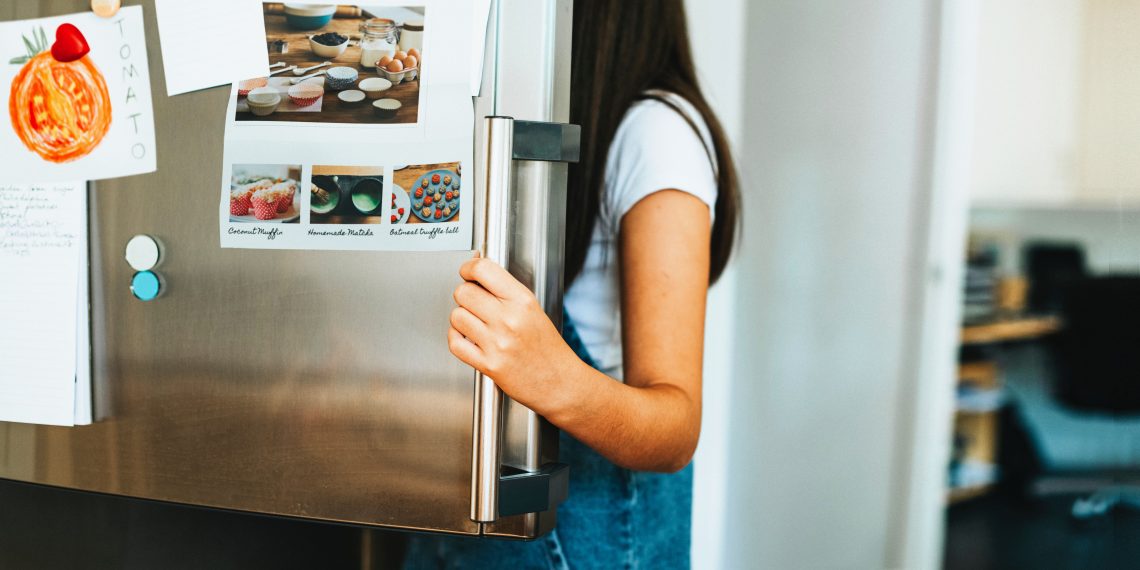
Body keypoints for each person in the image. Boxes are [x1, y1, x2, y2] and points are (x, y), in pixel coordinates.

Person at [404, 0, 739, 567]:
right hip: (455, 515)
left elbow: (676, 426)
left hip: (582, 541)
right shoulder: (515, 111)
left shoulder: (658, 132)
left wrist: (551, 376)